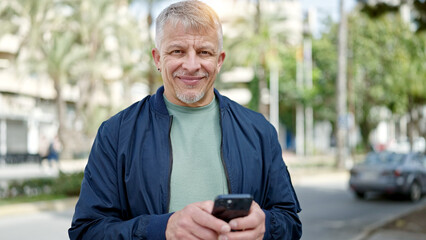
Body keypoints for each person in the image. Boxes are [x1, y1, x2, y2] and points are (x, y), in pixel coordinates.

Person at [69, 1, 302, 239]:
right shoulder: (116, 134)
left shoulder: (259, 131)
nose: (191, 65)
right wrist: (162, 229)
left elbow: (290, 222)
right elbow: (86, 231)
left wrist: (266, 227)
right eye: (177, 51)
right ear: (158, 58)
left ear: (219, 60)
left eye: (204, 52)